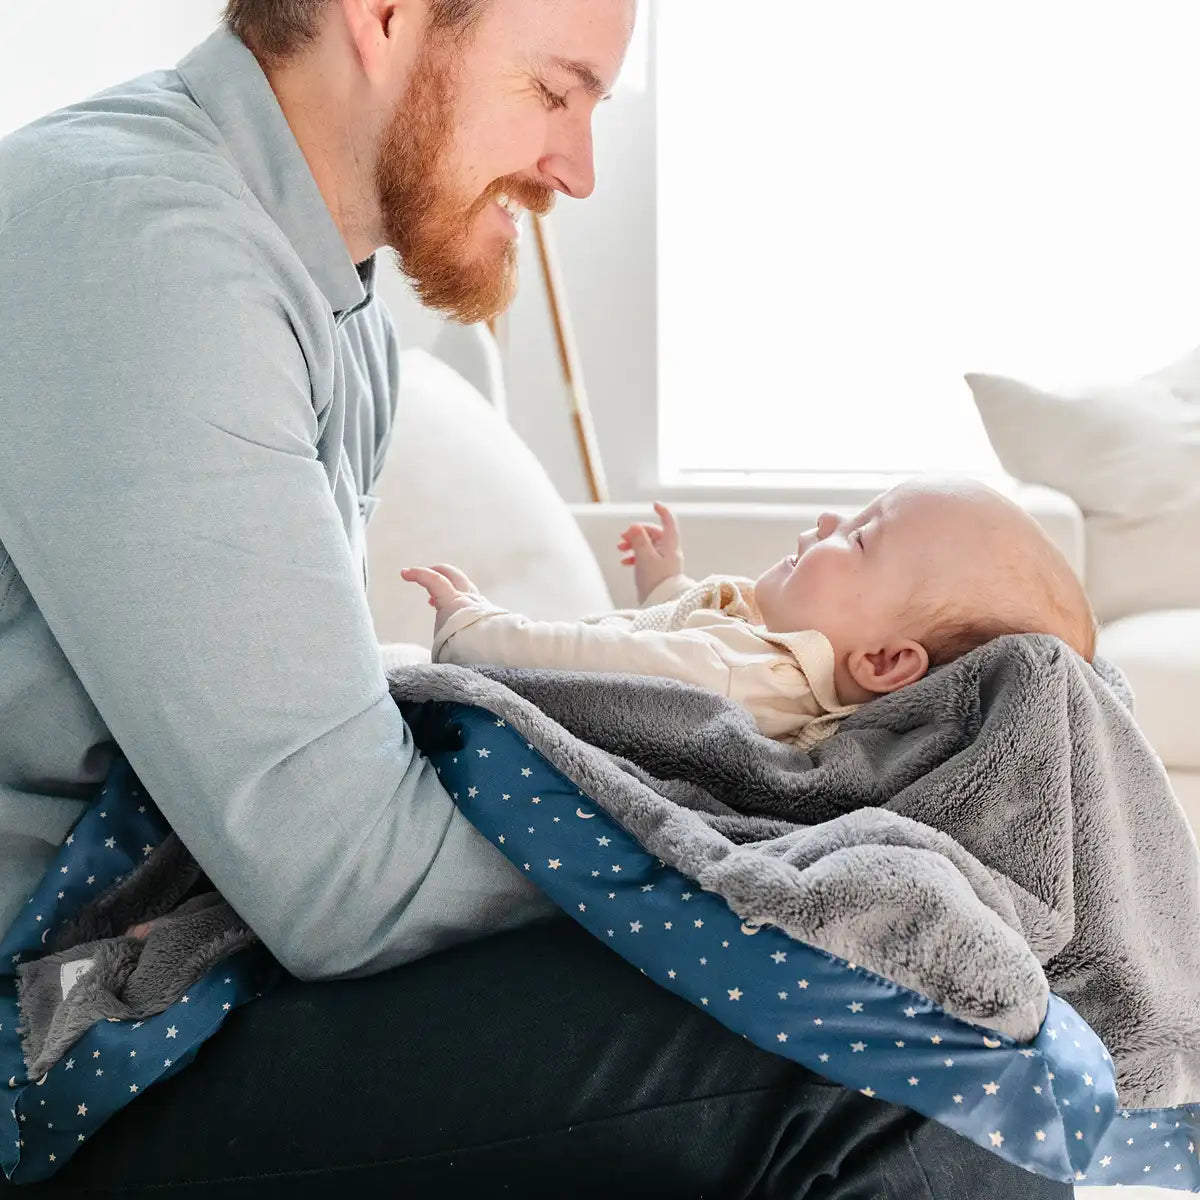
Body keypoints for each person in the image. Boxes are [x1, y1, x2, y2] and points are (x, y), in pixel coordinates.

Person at [0, 0, 1075, 1194]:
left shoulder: (324, 298)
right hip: (62, 1030)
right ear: (384, 15)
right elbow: (351, 883)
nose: (580, 168)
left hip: (185, 949)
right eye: (556, 93)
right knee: (910, 1075)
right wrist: (757, 848)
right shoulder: (145, 250)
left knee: (943, 996)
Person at [404, 478, 1098, 743]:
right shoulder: (774, 657)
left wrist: (477, 629)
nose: (828, 518)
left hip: (495, 680)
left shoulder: (748, 678)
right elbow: (684, 638)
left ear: (885, 661)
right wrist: (667, 583)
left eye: (857, 536)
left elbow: (609, 661)